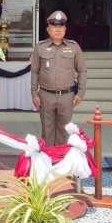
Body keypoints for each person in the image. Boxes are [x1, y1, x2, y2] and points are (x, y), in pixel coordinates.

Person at [30, 10, 87, 146]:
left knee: (64, 131)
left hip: (67, 96)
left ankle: (60, 157)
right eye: (54, 26)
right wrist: (34, 93)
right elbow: (34, 71)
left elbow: (82, 70)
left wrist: (81, 92)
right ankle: (48, 157)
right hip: (46, 95)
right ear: (48, 29)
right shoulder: (40, 47)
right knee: (47, 131)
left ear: (65, 29)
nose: (58, 29)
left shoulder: (74, 47)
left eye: (61, 26)